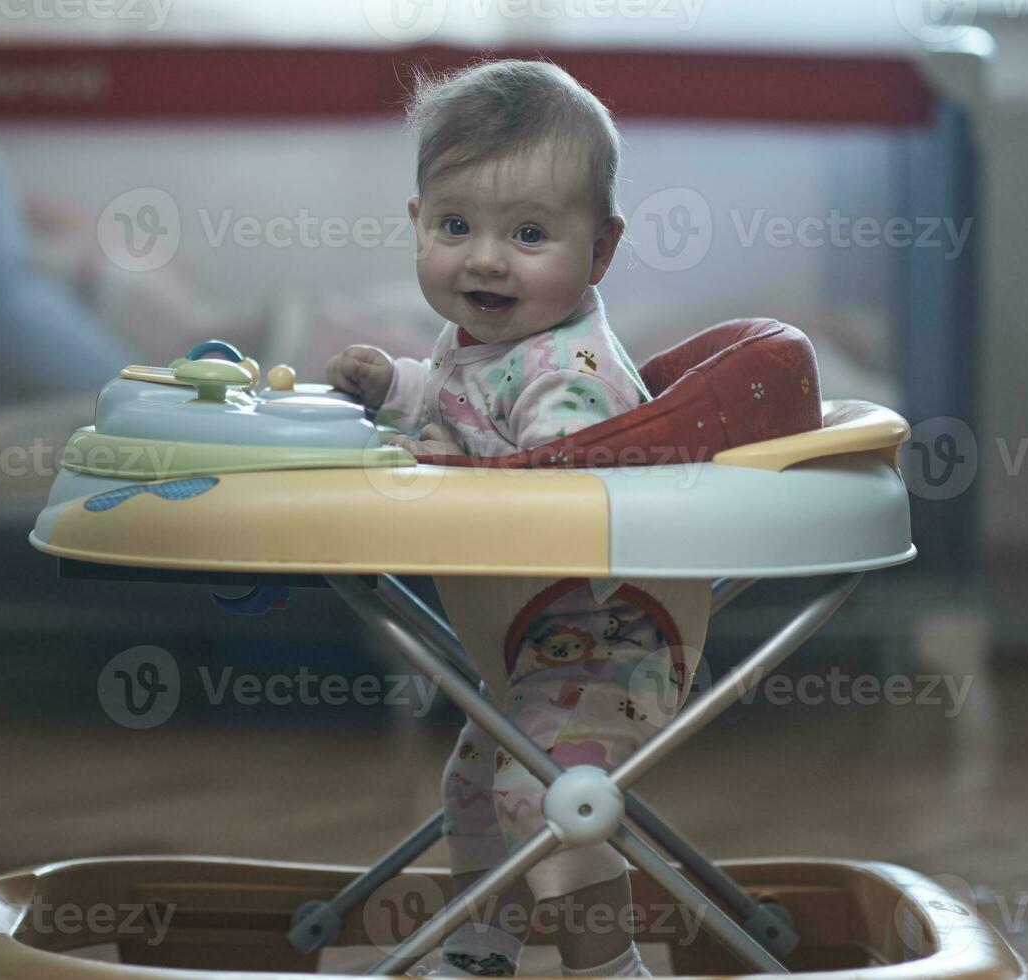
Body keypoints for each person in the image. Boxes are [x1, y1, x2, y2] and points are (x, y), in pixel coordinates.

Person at [325, 60, 705, 978]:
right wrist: (398, 390)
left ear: (601, 250)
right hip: (536, 642)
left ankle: (609, 967)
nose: (486, 258)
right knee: (470, 789)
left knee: (545, 795)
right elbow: (467, 404)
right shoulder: (497, 344)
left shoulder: (569, 381)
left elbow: (551, 490)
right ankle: (483, 952)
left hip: (618, 635)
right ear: (417, 224)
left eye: (529, 234)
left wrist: (439, 472)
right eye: (456, 227)